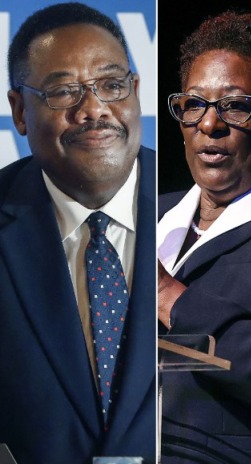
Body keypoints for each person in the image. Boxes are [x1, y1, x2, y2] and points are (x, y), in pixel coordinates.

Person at [0, 3, 155, 462]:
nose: (94, 110)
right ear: (20, 111)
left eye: (112, 85)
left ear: (136, 92)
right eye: (64, 92)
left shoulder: (198, 202)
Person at [156, 12, 251, 463]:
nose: (208, 124)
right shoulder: (149, 217)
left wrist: (169, 298)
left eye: (235, 106)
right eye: (193, 104)